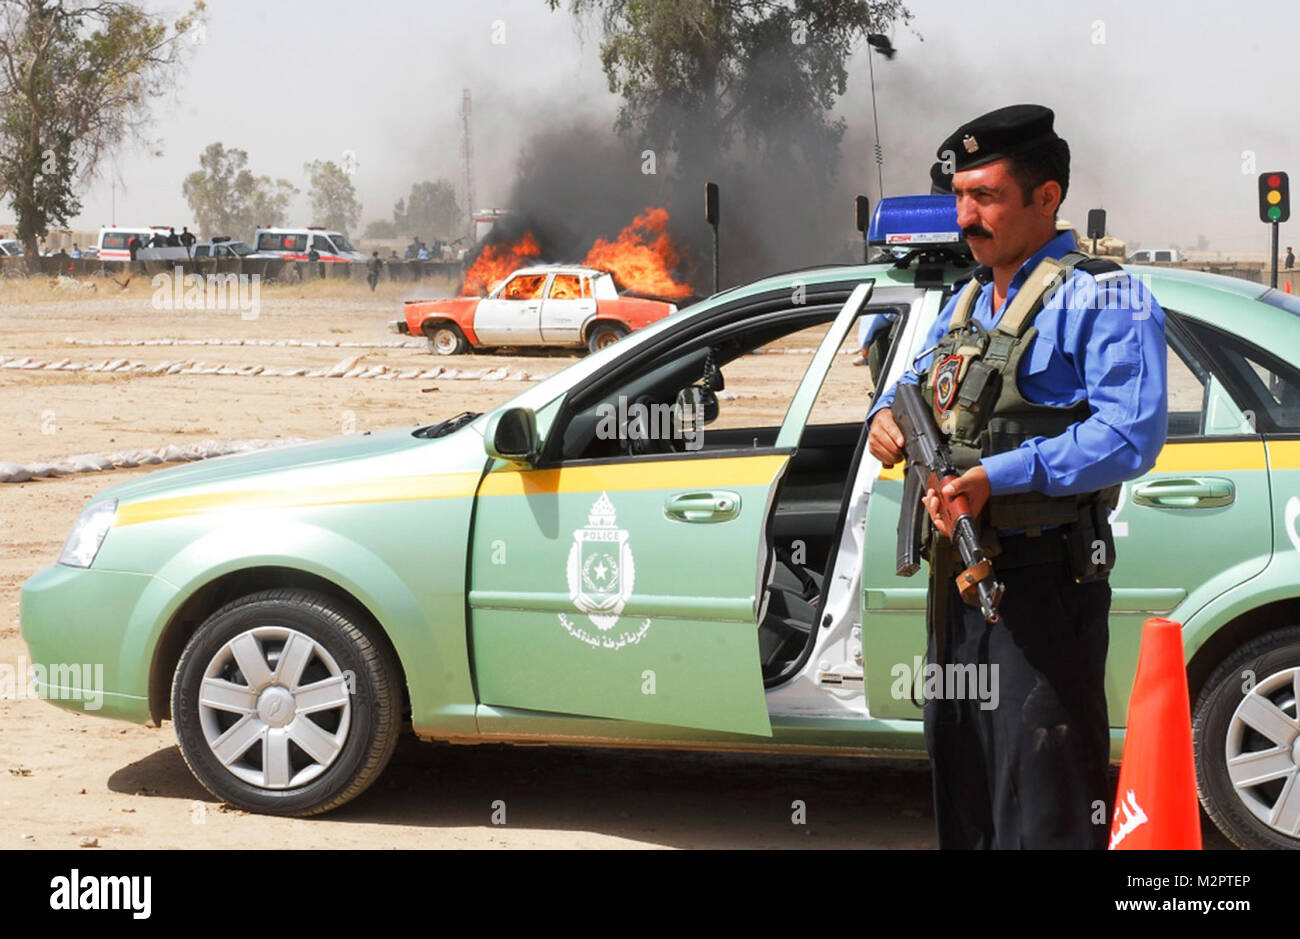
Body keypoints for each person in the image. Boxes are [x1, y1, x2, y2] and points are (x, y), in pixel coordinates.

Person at [865, 104, 1168, 849]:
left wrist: (999, 475)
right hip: (956, 593)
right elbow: (914, 380)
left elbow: (1129, 433)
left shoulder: (1104, 295)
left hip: (1039, 591)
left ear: (1046, 197)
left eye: (986, 196)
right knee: (963, 786)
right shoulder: (967, 299)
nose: (966, 216)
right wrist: (886, 415)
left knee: (1043, 804)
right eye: (959, 196)